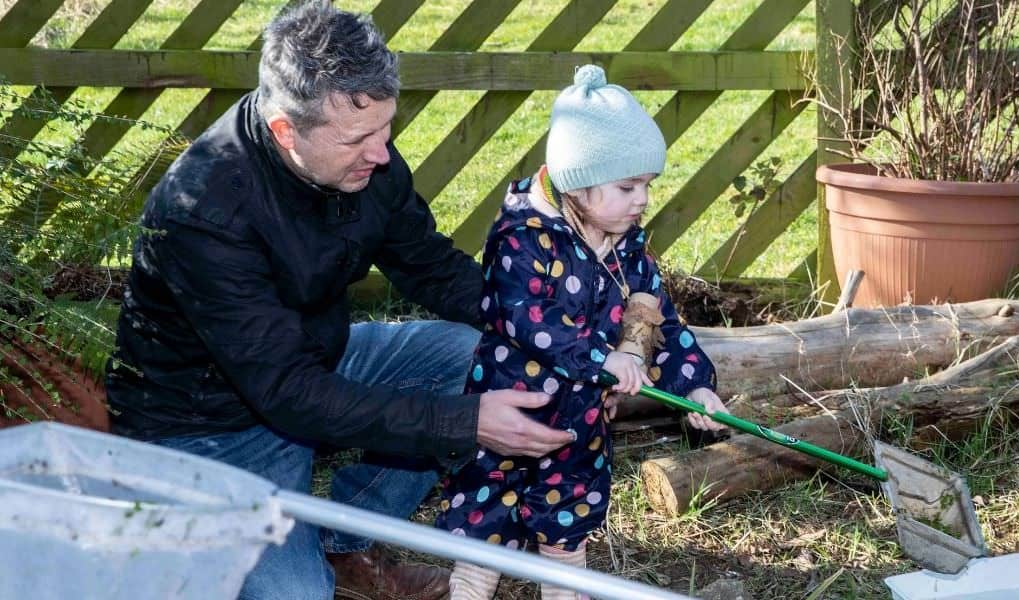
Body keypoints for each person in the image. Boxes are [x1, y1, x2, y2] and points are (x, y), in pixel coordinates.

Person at [103, 3, 574, 599]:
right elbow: (288, 392)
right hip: (208, 427)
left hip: (315, 360)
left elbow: (428, 264)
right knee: (296, 595)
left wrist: (548, 332)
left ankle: (344, 540)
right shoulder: (204, 211)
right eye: (359, 139)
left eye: (385, 129)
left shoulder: (364, 157)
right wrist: (465, 422)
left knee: (470, 356)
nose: (382, 153)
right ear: (285, 131)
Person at [435, 65, 730, 600]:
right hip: (509, 411)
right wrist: (603, 357)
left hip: (579, 424)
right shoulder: (523, 238)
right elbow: (530, 319)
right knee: (485, 521)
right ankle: (471, 586)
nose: (642, 199)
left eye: (647, 185)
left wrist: (695, 386)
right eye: (627, 186)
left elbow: (660, 322)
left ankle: (564, 584)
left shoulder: (627, 249)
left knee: (567, 523)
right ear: (577, 182)